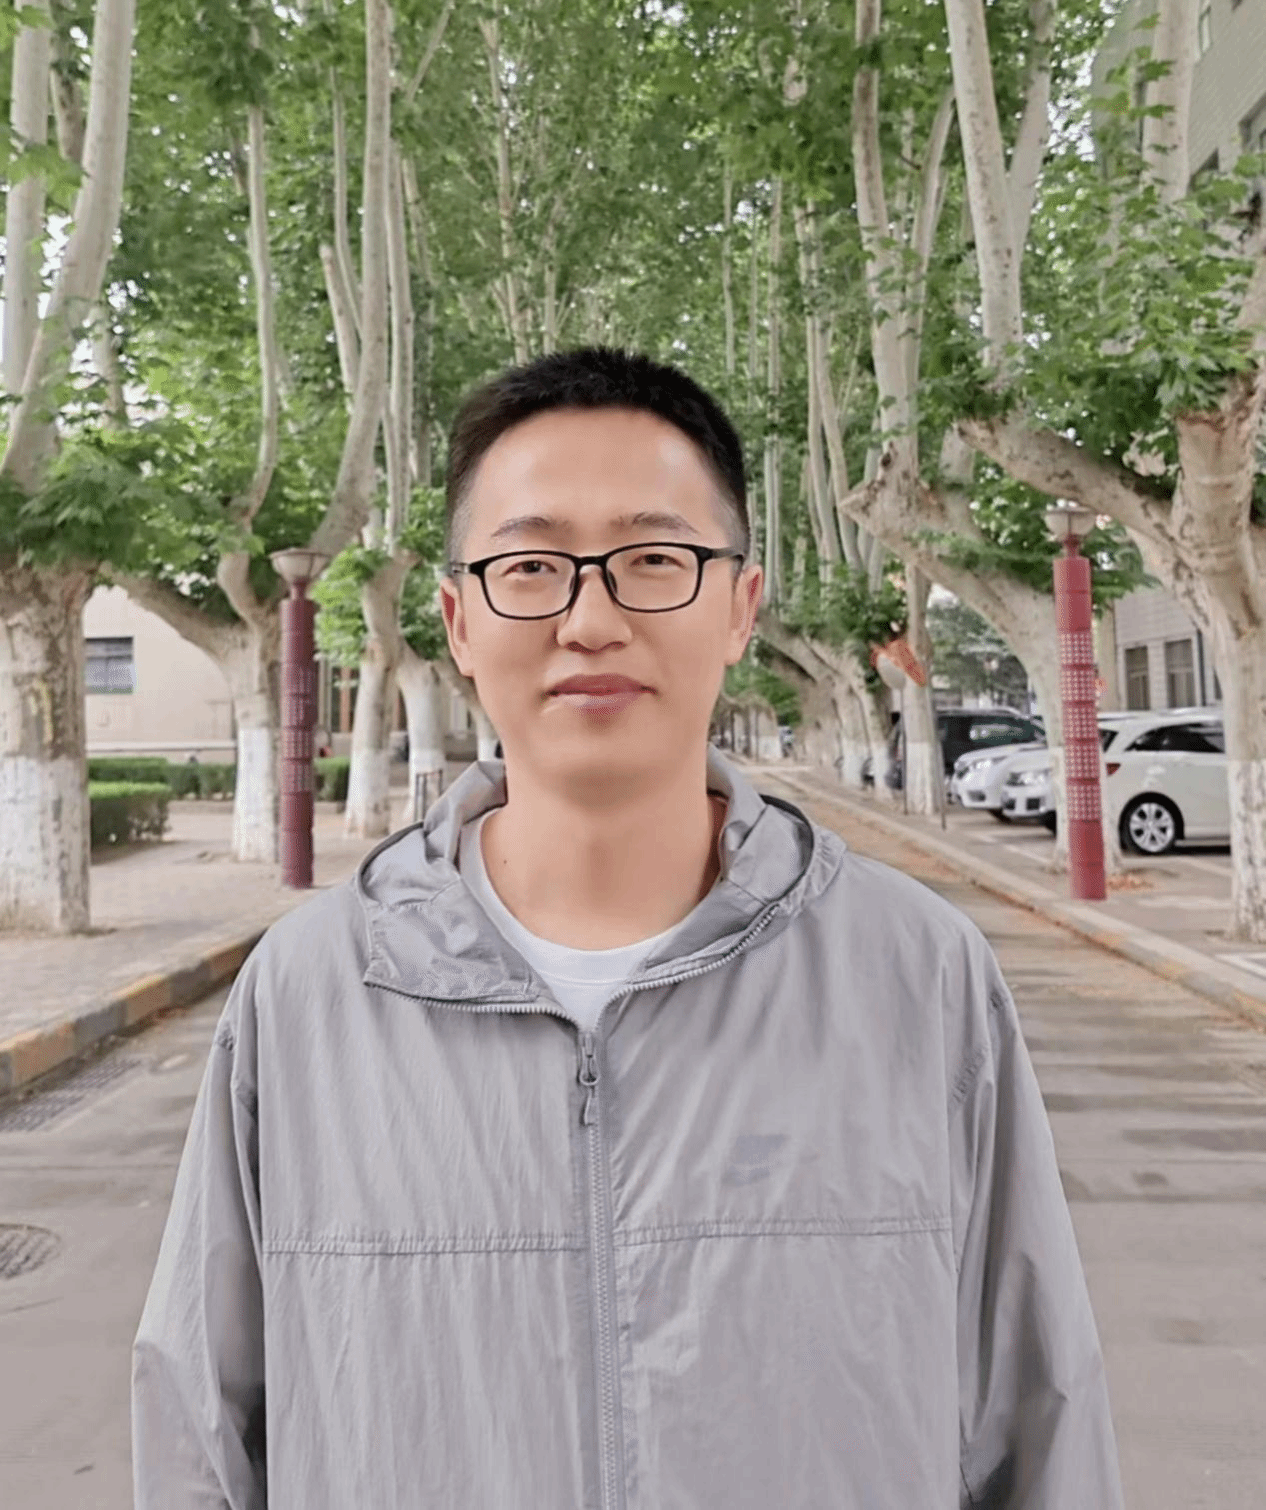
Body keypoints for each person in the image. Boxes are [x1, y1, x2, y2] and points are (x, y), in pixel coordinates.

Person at [132, 346, 1125, 1508]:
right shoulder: (309, 995)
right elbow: (200, 1429)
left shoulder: (916, 975)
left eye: (654, 559)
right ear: (457, 620)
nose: (591, 618)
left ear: (741, 607)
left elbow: (1040, 1417)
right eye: (531, 566)